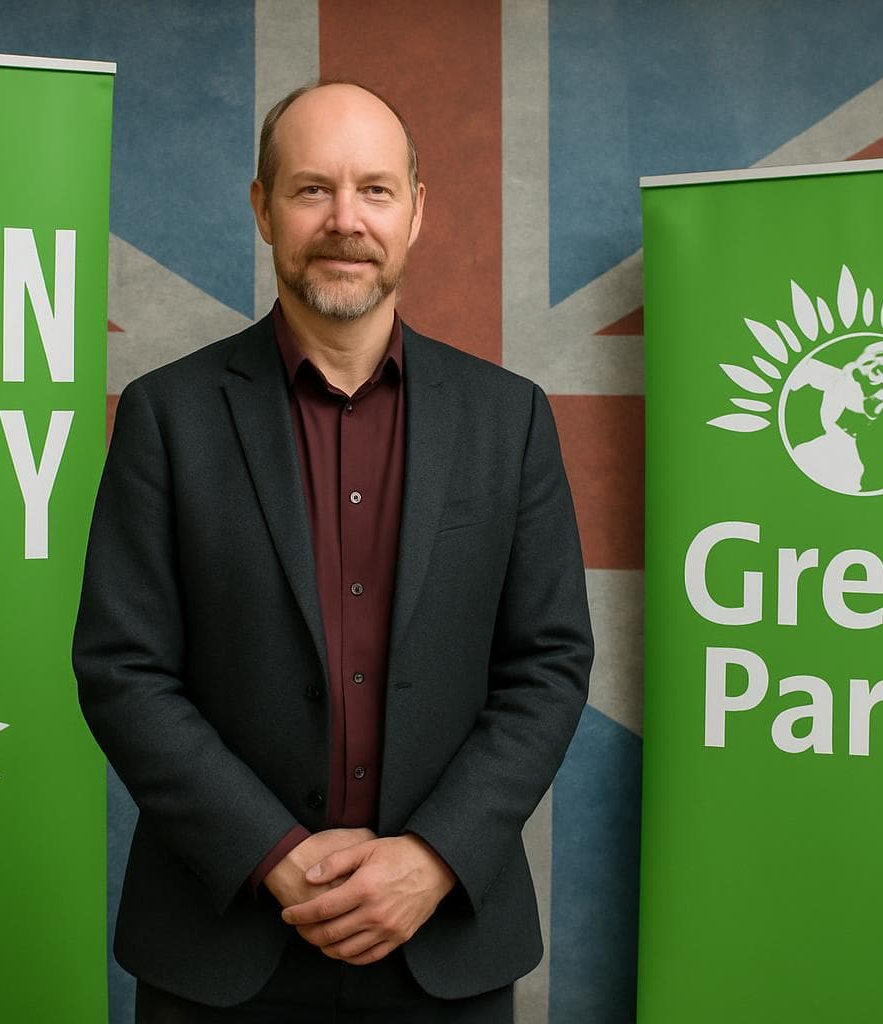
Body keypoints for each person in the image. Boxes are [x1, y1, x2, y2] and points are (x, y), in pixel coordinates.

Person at [73, 80, 593, 1022]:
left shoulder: (509, 419)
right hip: (221, 946)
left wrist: (433, 856)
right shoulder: (168, 416)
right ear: (263, 209)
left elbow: (549, 666)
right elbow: (123, 669)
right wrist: (273, 854)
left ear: (418, 211)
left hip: (445, 942)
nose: (345, 220)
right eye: (312, 189)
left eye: (376, 190)